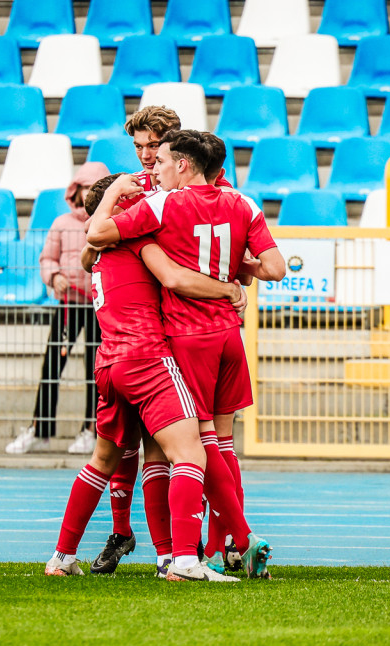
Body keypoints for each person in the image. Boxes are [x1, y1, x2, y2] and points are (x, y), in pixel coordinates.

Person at [46, 175, 268, 582]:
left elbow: (88, 249)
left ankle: (62, 556)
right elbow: (176, 277)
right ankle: (184, 561)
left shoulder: (97, 250)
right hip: (147, 357)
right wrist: (229, 288)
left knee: (103, 461)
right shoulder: (136, 240)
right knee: (192, 453)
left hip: (109, 362)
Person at [88, 130, 285, 577]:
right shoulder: (242, 202)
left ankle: (232, 539)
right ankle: (226, 546)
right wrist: (237, 273)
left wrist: (116, 192)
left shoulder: (163, 204)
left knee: (191, 447)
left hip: (185, 336)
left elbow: (97, 235)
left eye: (159, 158)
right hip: (230, 336)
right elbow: (273, 268)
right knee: (224, 441)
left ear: (183, 163)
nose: (152, 166)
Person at [6, 162, 111, 455]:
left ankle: (92, 430)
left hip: (100, 309)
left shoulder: (110, 222)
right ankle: (41, 429)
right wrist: (54, 277)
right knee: (52, 365)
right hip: (68, 306)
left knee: (97, 371)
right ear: (75, 191)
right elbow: (47, 258)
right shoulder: (62, 223)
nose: (89, 193)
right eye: (85, 187)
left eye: (95, 188)